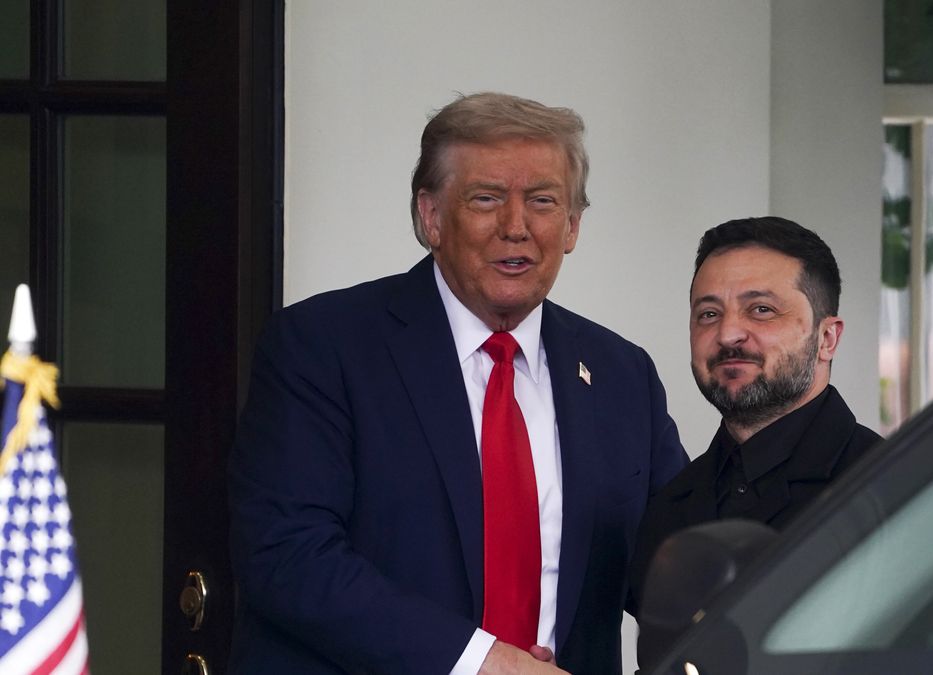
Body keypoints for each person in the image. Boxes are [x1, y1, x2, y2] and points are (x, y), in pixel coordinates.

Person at [228, 92, 688, 674]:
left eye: (542, 201)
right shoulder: (322, 346)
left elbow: (675, 567)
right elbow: (288, 555)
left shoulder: (622, 375)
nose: (516, 227)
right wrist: (482, 663)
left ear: (572, 226)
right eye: (486, 198)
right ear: (432, 217)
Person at [628, 217, 933, 665]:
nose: (728, 333)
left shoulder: (918, 499)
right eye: (708, 314)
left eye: (761, 310)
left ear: (827, 338)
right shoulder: (670, 507)